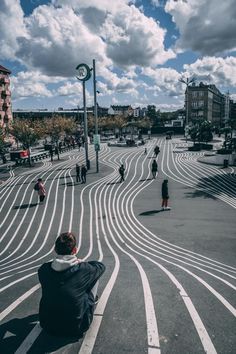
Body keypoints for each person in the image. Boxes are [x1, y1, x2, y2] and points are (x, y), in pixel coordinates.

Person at [38, 232, 105, 338]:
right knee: (94, 276)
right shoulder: (84, 269)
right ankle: (91, 301)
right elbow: (101, 266)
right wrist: (82, 262)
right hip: (76, 327)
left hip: (47, 325)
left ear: (55, 250)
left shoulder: (43, 269)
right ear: (74, 250)